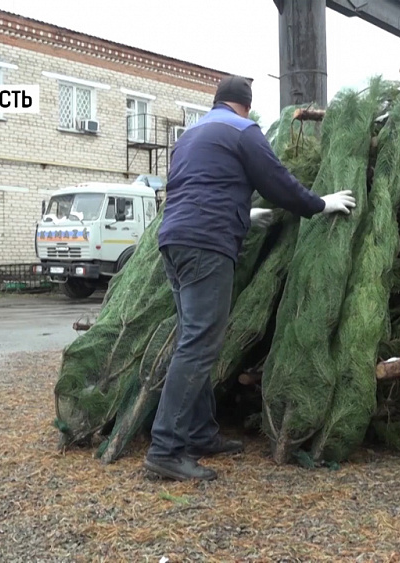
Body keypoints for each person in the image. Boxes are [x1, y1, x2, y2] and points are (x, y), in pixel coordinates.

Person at [144, 75, 356, 481]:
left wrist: (241, 215)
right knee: (199, 344)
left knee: (195, 337)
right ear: (245, 105)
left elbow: (199, 188)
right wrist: (319, 203)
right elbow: (276, 181)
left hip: (175, 241)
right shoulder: (243, 130)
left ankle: (200, 433)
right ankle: (166, 450)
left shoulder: (191, 136)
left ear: (217, 101)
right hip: (207, 245)